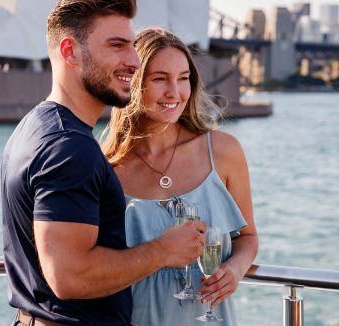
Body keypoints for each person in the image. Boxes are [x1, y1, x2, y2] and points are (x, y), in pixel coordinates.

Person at [1, 0, 206, 326]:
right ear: (70, 52)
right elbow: (69, 277)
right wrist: (164, 251)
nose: (134, 60)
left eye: (131, 45)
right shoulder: (69, 148)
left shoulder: (35, 126)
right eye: (117, 45)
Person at [101, 27, 259, 325]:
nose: (175, 92)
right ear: (134, 83)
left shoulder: (224, 152)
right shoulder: (108, 168)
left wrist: (235, 270)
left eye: (183, 78)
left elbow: (247, 237)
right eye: (160, 78)